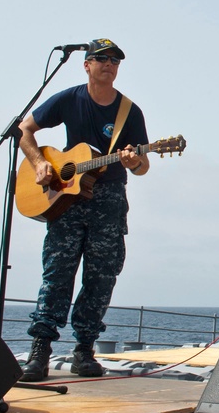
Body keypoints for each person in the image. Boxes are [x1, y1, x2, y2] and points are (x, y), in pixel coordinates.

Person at [17, 38, 150, 382]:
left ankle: (84, 350)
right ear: (86, 64)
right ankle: (40, 351)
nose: (109, 64)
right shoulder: (68, 99)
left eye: (116, 61)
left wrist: (135, 161)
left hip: (108, 199)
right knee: (57, 272)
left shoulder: (129, 113)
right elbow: (25, 130)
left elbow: (142, 167)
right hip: (67, 198)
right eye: (102, 59)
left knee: (101, 275)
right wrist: (39, 165)